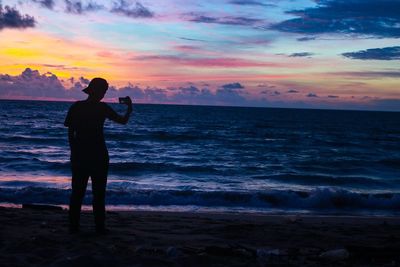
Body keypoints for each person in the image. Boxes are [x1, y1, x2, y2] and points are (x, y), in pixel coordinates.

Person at [64, 77, 132, 234]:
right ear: (96, 91)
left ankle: (75, 227)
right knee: (97, 193)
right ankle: (97, 227)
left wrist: (74, 151)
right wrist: (129, 109)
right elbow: (122, 121)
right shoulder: (101, 108)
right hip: (98, 155)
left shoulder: (77, 107)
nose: (103, 94)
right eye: (103, 90)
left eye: (105, 91)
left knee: (79, 193)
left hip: (84, 154)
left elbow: (70, 132)